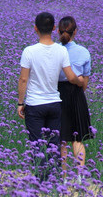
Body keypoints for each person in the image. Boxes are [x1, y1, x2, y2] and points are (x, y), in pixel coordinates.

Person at [17, 12, 84, 182]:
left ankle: (42, 182)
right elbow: (70, 77)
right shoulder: (61, 50)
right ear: (54, 28)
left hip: (34, 105)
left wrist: (20, 103)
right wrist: (80, 81)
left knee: (37, 145)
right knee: (54, 145)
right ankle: (55, 182)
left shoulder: (29, 51)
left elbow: (23, 79)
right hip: (55, 104)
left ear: (35, 29)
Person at [57, 16, 93, 183]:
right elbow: (84, 83)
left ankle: (63, 178)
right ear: (76, 32)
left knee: (62, 138)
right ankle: (79, 177)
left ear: (57, 31)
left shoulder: (54, 50)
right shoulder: (84, 52)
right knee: (77, 139)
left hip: (57, 94)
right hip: (77, 95)